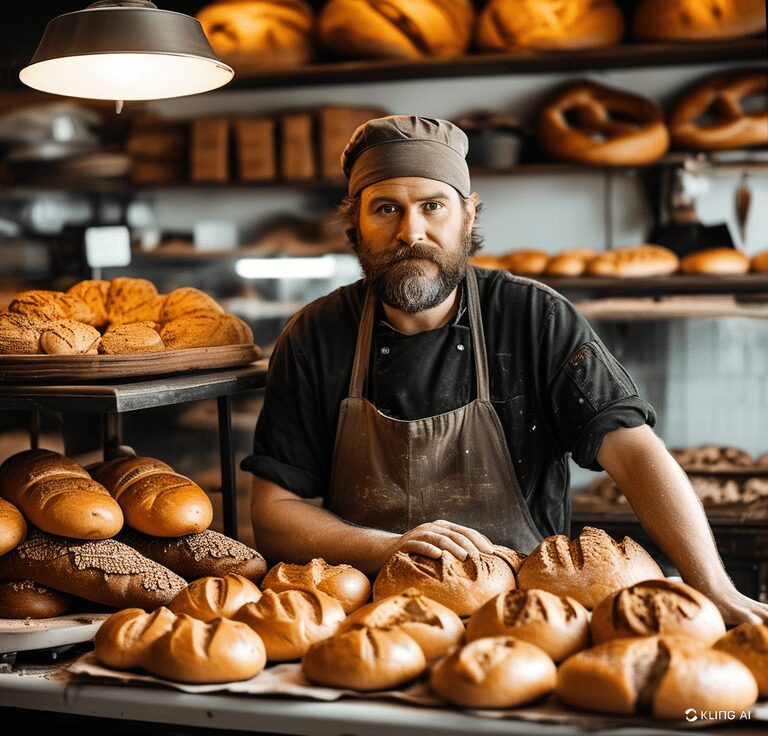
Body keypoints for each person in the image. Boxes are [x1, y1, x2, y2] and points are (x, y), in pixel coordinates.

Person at [243, 115, 767, 625]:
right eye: (386, 208)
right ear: (354, 225)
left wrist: (714, 587)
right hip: (371, 621)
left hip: (529, 617)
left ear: (468, 215)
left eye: (433, 206)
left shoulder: (534, 318)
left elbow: (634, 453)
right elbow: (273, 512)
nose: (412, 231)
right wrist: (390, 547)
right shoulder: (314, 336)